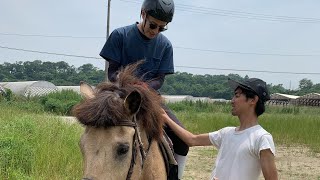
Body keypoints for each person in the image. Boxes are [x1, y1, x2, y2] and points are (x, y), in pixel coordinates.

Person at [99, 0, 189, 179]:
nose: (155, 31)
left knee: (182, 140)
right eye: (153, 25)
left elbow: (160, 79)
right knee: (95, 128)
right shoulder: (120, 35)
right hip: (120, 97)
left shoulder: (166, 46)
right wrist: (130, 86)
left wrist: (145, 87)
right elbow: (112, 71)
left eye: (161, 28)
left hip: (151, 101)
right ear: (143, 14)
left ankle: (176, 177)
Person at [162, 78, 278, 180]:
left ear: (253, 100)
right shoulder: (226, 133)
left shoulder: (262, 138)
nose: (232, 101)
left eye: (237, 96)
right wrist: (165, 118)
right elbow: (192, 140)